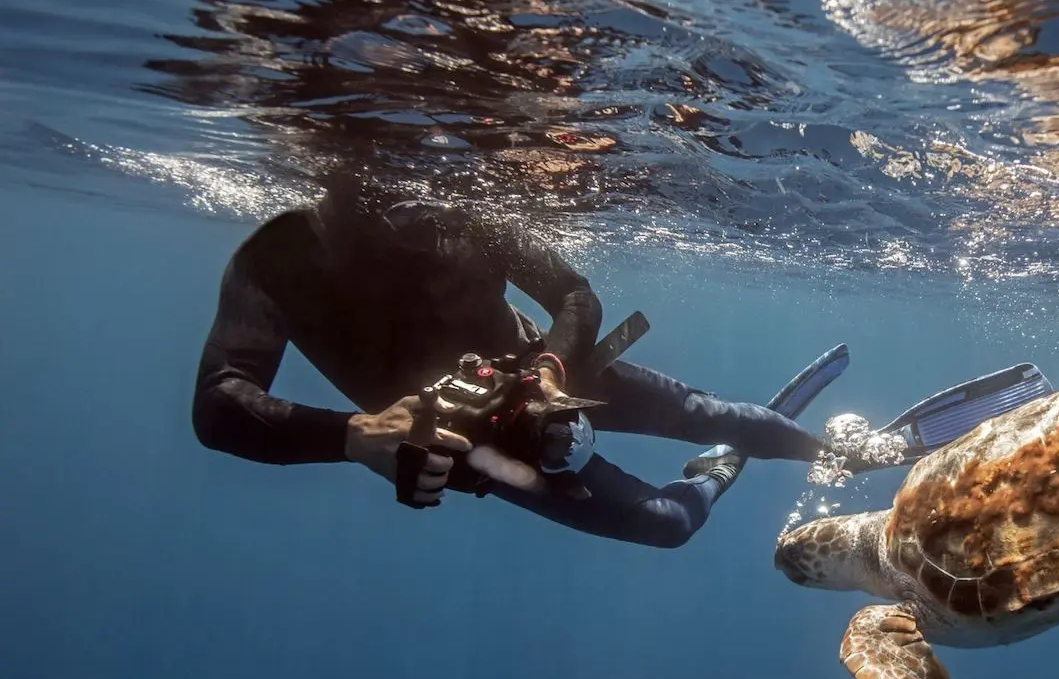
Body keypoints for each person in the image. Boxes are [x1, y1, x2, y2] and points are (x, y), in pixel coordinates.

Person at [191, 176, 846, 548]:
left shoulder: (466, 211)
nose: (402, 214)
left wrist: (549, 373)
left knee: (713, 413)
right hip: (476, 444)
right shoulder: (278, 258)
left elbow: (574, 293)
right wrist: (357, 437)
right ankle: (715, 475)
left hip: (551, 370)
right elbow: (219, 403)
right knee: (669, 523)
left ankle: (849, 451)